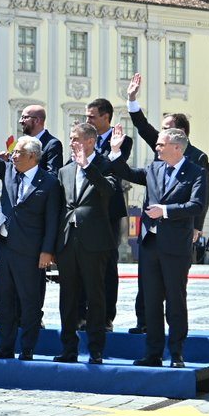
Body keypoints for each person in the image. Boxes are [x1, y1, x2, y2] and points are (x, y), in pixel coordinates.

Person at [106, 124, 209, 368]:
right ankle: (152, 354)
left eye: (161, 144)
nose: (157, 147)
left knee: (175, 301)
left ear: (176, 147)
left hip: (175, 247)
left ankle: (176, 354)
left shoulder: (196, 172)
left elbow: (197, 205)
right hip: (150, 245)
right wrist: (114, 151)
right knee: (151, 302)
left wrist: (165, 211)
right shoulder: (154, 168)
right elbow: (125, 173)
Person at [0, 110, 60, 361]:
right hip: (5, 247)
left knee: (29, 301)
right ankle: (5, 345)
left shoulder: (48, 182)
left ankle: (27, 347)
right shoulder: (8, 171)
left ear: (32, 156)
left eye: (18, 152)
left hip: (31, 251)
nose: (12, 155)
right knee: (3, 299)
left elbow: (52, 221)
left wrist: (47, 251)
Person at [125, 73, 209, 334]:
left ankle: (174, 339)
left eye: (165, 128)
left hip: (178, 228)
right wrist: (132, 100)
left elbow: (201, 197)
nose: (159, 134)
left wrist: (197, 226)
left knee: (174, 286)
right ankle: (144, 323)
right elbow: (143, 128)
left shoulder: (197, 157)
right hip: (152, 228)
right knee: (147, 281)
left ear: (179, 134)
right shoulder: (162, 149)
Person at [53, 123, 116, 364]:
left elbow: (109, 191)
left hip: (95, 242)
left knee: (95, 296)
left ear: (91, 141)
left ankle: (96, 350)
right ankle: (68, 348)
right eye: (70, 138)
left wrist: (87, 167)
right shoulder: (65, 170)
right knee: (67, 297)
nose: (71, 143)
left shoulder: (103, 164)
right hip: (68, 241)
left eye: (76, 139)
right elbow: (60, 207)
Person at [84, 98, 131, 330]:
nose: (88, 120)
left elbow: (111, 167)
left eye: (92, 116)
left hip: (108, 211)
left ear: (106, 117)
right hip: (84, 211)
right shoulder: (84, 139)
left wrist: (94, 154)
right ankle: (83, 314)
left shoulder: (123, 140)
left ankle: (106, 317)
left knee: (108, 266)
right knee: (83, 262)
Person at [19, 104, 63, 173]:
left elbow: (53, 175)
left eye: (25, 117)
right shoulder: (21, 143)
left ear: (37, 120)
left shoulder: (52, 144)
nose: (20, 121)